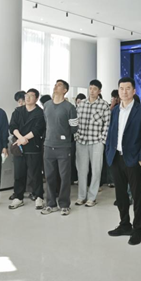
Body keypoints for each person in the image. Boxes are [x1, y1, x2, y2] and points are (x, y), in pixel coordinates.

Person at [105, 77, 141, 245]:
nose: (124, 91)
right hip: (116, 158)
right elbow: (111, 134)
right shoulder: (115, 111)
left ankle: (138, 230)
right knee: (120, 195)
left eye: (127, 88)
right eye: (121, 88)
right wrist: (109, 153)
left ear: (134, 91)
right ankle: (124, 224)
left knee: (137, 196)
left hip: (133, 159)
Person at [42, 80, 78, 215]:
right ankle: (50, 204)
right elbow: (46, 123)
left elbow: (74, 128)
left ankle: (64, 204)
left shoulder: (70, 108)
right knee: (49, 176)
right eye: (55, 84)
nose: (55, 86)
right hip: (48, 145)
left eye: (59, 85)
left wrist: (63, 135)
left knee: (64, 177)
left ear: (65, 90)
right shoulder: (47, 105)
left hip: (63, 147)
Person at [9, 88, 46, 210]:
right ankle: (18, 197)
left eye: (31, 96)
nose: (28, 98)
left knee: (35, 174)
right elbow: (12, 126)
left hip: (33, 146)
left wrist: (24, 138)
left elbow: (38, 129)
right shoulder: (18, 111)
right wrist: (20, 138)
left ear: (36, 98)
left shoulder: (40, 113)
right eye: (26, 95)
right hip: (19, 146)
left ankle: (39, 196)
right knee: (19, 173)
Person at [75, 80, 110, 207]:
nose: (92, 91)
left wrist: (102, 140)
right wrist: (76, 136)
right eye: (90, 88)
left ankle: (92, 197)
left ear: (99, 91)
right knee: (81, 171)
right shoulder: (81, 104)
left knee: (96, 170)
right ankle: (81, 196)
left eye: (95, 89)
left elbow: (107, 124)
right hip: (81, 141)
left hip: (96, 142)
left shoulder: (104, 105)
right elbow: (75, 121)